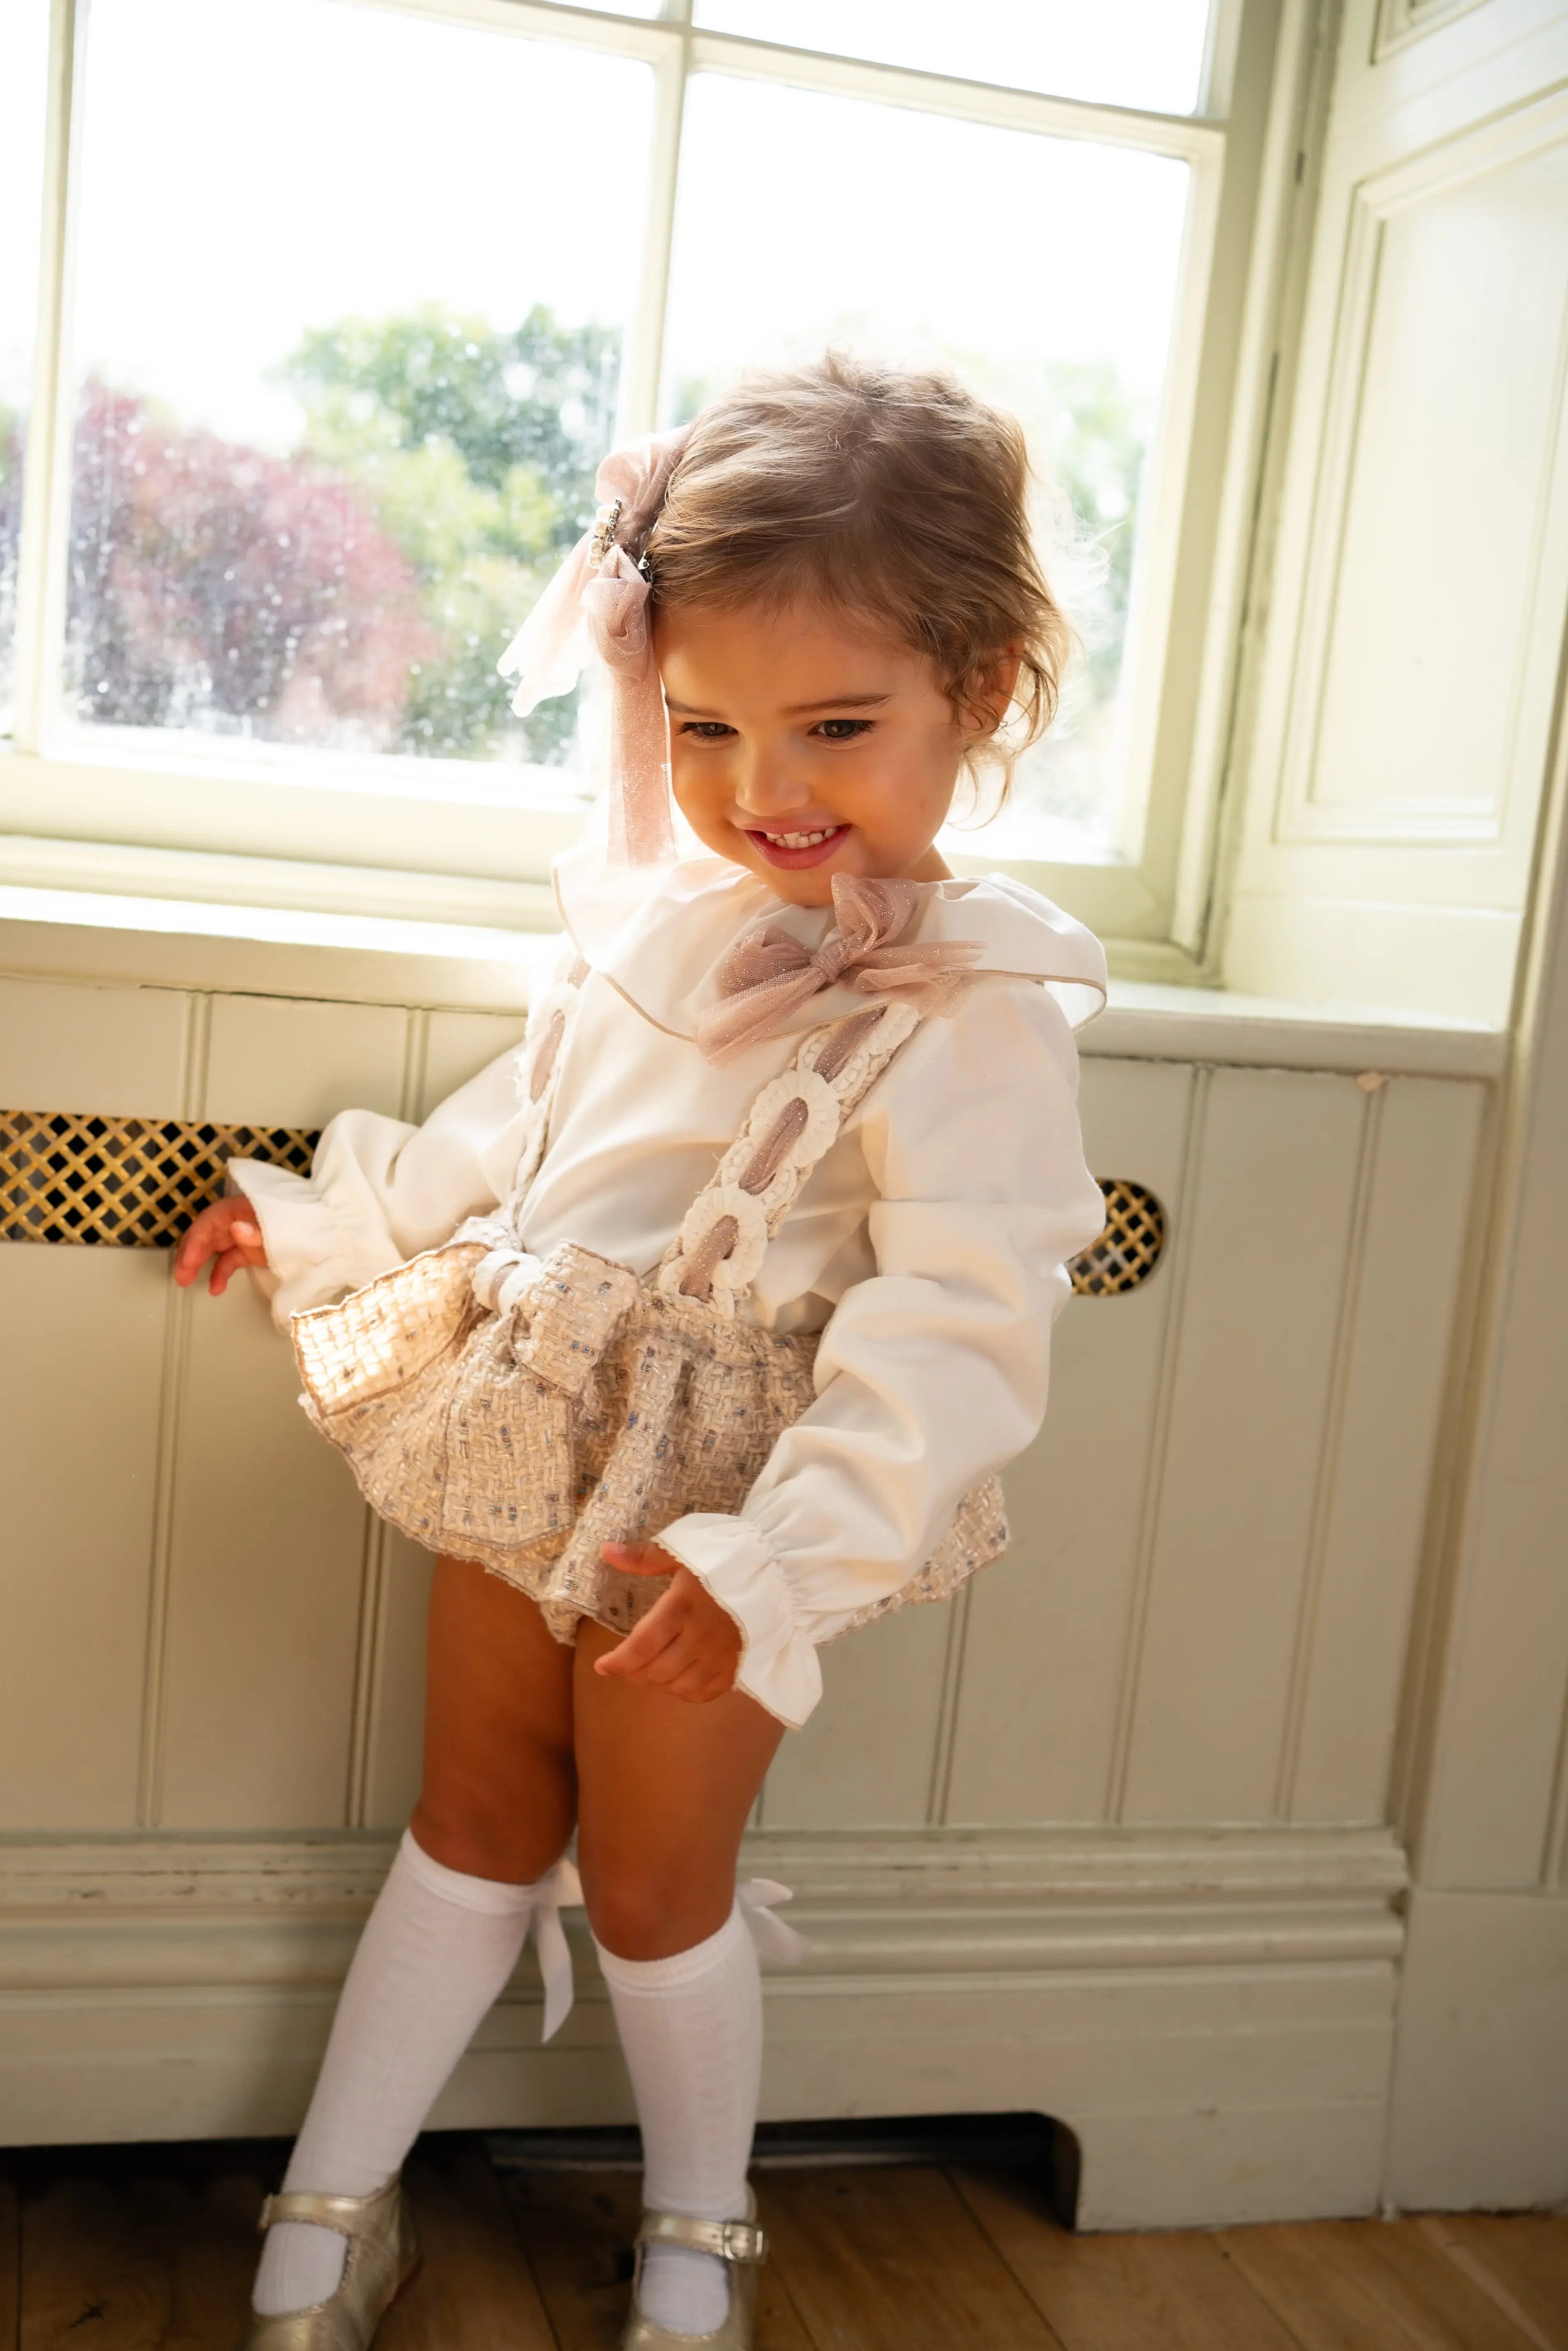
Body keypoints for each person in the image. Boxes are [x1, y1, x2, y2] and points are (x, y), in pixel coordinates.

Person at [175, 354, 1109, 2351]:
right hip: (526, 1424)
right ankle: (324, 2218)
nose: (763, 793)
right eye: (702, 728)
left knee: (660, 1874)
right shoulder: (668, 924)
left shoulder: (969, 1009)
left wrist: (767, 1558)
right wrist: (340, 1219)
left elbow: (959, 1319)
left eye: (836, 729)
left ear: (987, 693)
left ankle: (701, 2239)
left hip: (716, 1508)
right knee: (471, 1819)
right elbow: (537, 1131)